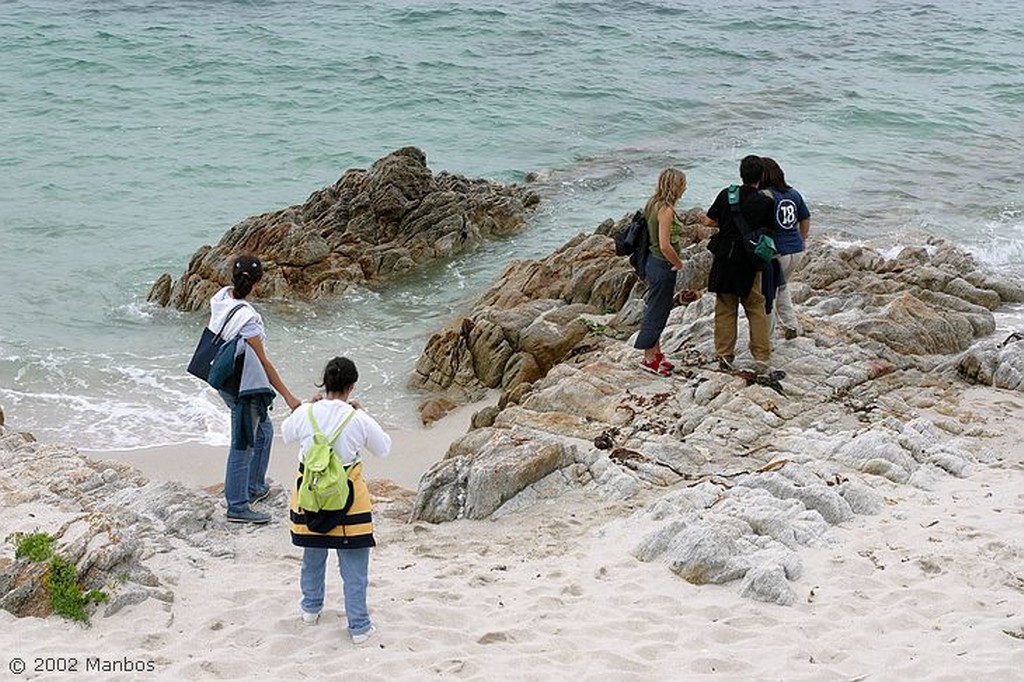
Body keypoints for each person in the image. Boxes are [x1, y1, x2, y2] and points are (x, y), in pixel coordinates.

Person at [282, 356, 391, 645]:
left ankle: (310, 609)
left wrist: (308, 405)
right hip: (348, 501)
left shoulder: (307, 412)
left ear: (324, 383)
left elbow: (285, 434)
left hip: (311, 497)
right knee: (355, 566)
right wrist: (363, 413)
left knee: (313, 554)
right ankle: (359, 626)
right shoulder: (357, 419)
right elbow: (383, 449)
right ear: (351, 387)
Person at [207, 255, 301, 524]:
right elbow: (263, 362)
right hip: (244, 386)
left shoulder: (221, 299)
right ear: (258, 282)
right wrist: (288, 396)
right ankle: (237, 505)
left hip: (225, 379)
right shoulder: (248, 318)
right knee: (244, 442)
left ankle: (254, 487)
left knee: (264, 430)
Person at [701, 155, 776, 372]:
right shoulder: (766, 202)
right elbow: (771, 233)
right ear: (761, 177)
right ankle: (761, 357)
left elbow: (709, 220)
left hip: (725, 258)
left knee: (725, 308)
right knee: (755, 307)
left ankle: (724, 355)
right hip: (750, 262)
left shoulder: (726, 195)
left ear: (741, 174)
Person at [634, 168, 701, 377]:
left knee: (660, 309)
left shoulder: (652, 204)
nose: (685, 187)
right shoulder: (666, 210)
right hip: (662, 264)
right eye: (683, 184)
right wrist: (678, 263)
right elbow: (664, 245)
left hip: (651, 262)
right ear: (675, 186)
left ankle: (656, 353)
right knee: (656, 311)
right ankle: (648, 358)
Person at [760, 157, 811, 340]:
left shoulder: (765, 196)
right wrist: (802, 240)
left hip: (777, 253)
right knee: (782, 287)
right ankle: (791, 325)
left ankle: (767, 337)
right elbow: (805, 218)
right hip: (796, 250)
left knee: (768, 295)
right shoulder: (794, 193)